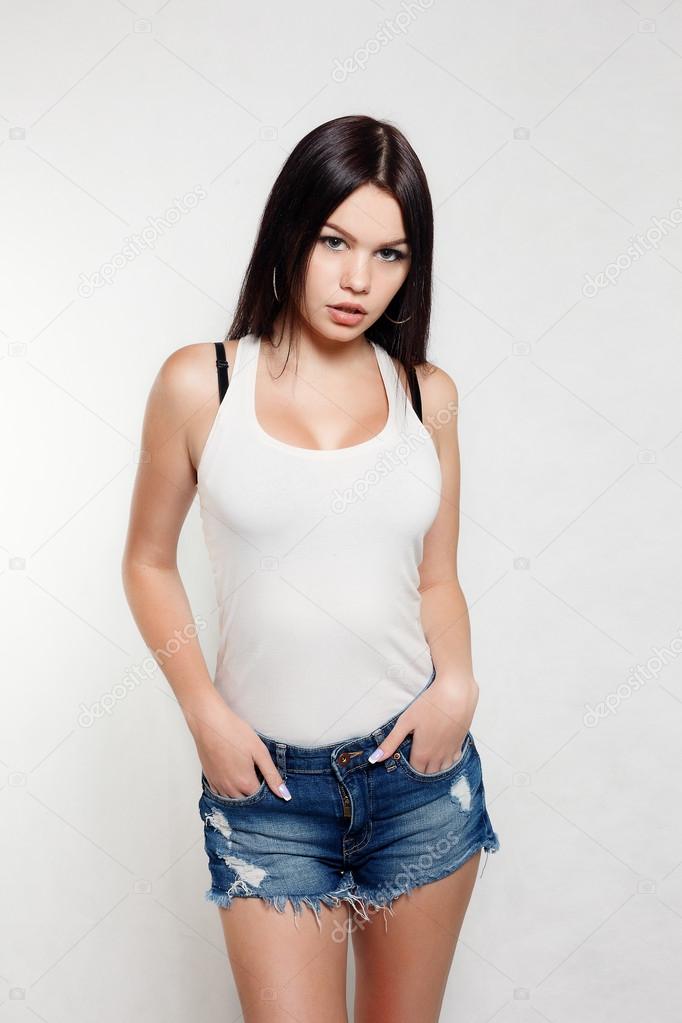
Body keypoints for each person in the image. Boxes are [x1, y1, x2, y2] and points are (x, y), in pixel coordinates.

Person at [122, 114, 500, 1023]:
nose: (358, 279)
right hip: (268, 792)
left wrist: (458, 684)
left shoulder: (427, 397)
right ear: (290, 230)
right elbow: (146, 561)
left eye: (389, 253)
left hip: (417, 778)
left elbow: (437, 576)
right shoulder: (201, 383)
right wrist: (204, 711)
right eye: (335, 241)